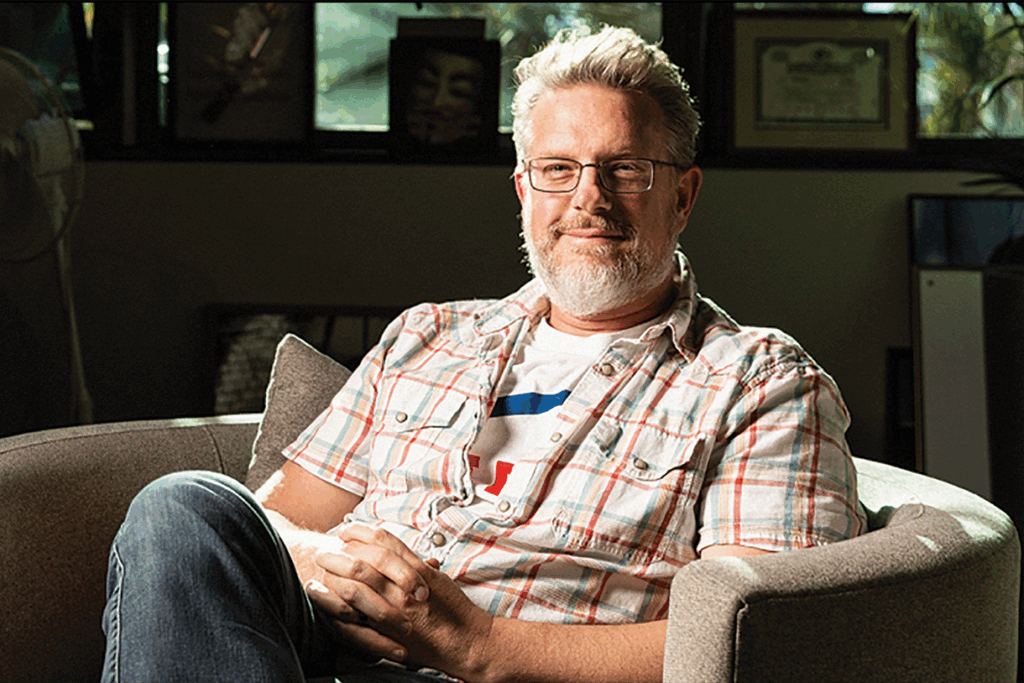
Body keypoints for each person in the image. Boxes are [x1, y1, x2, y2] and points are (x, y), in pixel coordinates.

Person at [102, 26, 866, 683]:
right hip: (304, 651)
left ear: (684, 195)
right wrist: (329, 565)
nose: (589, 198)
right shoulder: (428, 335)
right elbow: (276, 520)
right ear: (524, 191)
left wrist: (475, 641)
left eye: (626, 169)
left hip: (516, 670)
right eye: (558, 169)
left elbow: (755, 636)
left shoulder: (759, 381)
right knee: (182, 507)